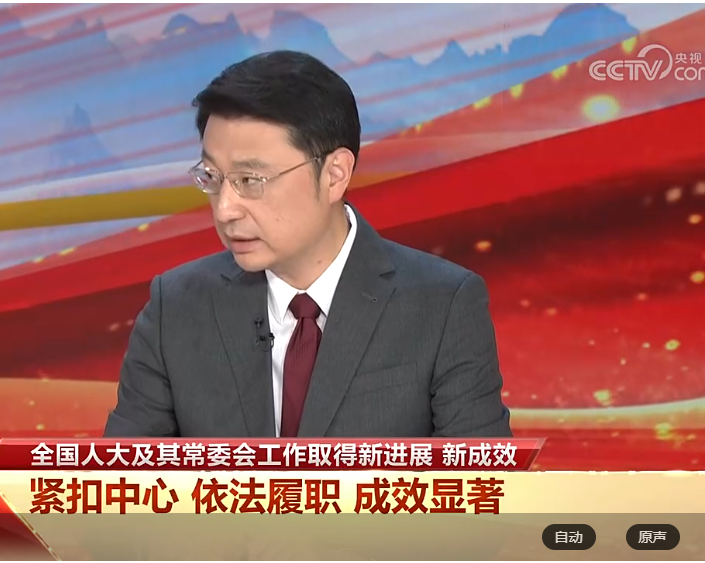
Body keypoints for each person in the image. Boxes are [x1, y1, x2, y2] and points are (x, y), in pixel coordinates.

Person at [104, 50, 511, 438]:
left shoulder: (442, 305)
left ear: (335, 174)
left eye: (250, 180)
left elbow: (481, 481)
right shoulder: (176, 308)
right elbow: (119, 479)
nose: (225, 209)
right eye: (211, 177)